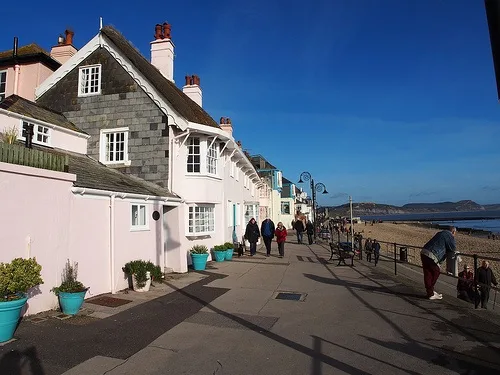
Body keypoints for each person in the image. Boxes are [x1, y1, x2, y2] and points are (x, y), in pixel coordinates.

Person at [420, 226, 458, 300]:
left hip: (424, 251)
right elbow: (453, 248)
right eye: (455, 233)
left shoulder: (440, 233)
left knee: (428, 273)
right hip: (432, 254)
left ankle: (430, 292)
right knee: (436, 272)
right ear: (453, 232)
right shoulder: (449, 235)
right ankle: (431, 293)